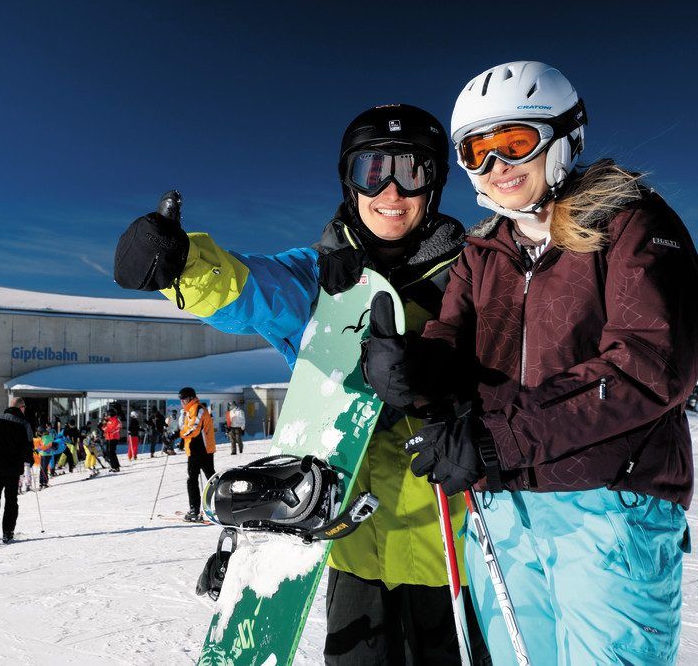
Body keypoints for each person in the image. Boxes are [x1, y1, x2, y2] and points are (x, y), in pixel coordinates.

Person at [114, 104, 486, 664]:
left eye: (411, 171)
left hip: (453, 549)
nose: (391, 189)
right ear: (349, 180)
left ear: (433, 184)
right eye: (372, 171)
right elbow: (253, 289)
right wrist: (183, 263)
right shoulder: (319, 278)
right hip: (350, 545)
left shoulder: (476, 273)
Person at [363, 61, 698, 666]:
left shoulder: (629, 224)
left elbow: (649, 364)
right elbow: (449, 347)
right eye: (477, 151)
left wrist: (501, 436)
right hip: (503, 508)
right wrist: (410, 371)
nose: (498, 166)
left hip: (608, 502)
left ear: (562, 139)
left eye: (514, 143)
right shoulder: (483, 253)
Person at [0, 396, 34, 545]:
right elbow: (28, 448)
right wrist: (29, 461)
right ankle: (8, 533)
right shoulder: (24, 424)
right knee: (11, 501)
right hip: (13, 470)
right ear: (21, 408)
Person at [173, 388, 216, 521]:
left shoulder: (198, 408)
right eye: (181, 399)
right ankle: (197, 508)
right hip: (195, 449)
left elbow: (194, 428)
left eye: (184, 399)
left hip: (201, 450)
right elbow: (188, 429)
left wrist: (176, 434)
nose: (182, 402)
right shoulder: (189, 410)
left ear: (191, 398)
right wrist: (181, 440)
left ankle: (197, 509)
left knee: (204, 479)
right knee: (205, 478)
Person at [102, 408, 122, 472]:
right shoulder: (109, 420)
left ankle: (116, 467)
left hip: (113, 438)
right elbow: (104, 427)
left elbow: (111, 429)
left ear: (111, 414)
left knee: (111, 453)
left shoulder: (115, 420)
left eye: (108, 415)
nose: (107, 416)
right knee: (109, 453)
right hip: (109, 438)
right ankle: (114, 466)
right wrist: (104, 425)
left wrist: (105, 428)